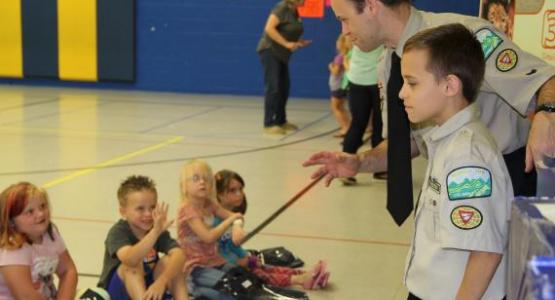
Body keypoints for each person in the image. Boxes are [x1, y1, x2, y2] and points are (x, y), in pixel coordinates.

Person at [304, 0, 555, 209]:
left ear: (371, 6)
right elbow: (408, 142)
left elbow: (546, 80)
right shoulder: (388, 63)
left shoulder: (463, 37)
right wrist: (360, 162)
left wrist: (547, 115)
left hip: (505, 183)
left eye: (344, 19)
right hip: (444, 186)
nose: (343, 31)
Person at [398, 23, 513, 300]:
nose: (402, 93)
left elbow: (485, 252)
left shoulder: (467, 157)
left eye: (412, 83)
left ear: (450, 85)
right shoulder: (447, 141)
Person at [214, 169, 330, 290]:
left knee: (263, 267)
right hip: (221, 266)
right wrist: (239, 261)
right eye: (232, 191)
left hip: (233, 259)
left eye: (241, 189)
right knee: (259, 275)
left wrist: (247, 258)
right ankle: (300, 280)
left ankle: (306, 275)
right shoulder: (216, 221)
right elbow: (215, 253)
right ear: (219, 194)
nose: (239, 194)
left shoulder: (233, 214)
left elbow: (232, 245)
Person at [98, 175, 188, 300]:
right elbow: (130, 259)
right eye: (140, 208)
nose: (148, 214)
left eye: (152, 207)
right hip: (117, 293)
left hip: (149, 289)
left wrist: (161, 282)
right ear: (123, 212)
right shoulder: (118, 232)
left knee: (170, 262)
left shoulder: (155, 228)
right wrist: (154, 233)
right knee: (132, 266)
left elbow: (180, 255)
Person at [176, 160, 244, 300]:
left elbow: (237, 216)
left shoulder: (209, 204)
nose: (202, 182)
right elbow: (208, 237)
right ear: (184, 186)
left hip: (214, 260)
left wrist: (236, 225)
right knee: (229, 290)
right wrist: (231, 221)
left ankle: (199, 289)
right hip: (195, 267)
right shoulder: (187, 209)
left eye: (206, 179)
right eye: (196, 178)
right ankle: (196, 291)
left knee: (242, 278)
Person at [0, 182, 78, 300]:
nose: (41, 214)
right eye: (30, 212)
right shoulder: (13, 249)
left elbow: (68, 271)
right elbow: (25, 296)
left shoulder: (50, 234)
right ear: (11, 221)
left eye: (42, 206)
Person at [257, 0, 312, 135]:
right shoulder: (281, 7)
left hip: (282, 54)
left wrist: (296, 42)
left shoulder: (294, 11)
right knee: (273, 87)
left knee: (284, 87)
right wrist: (287, 44)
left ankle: (281, 121)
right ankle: (269, 123)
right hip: (270, 51)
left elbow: (287, 31)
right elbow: (269, 28)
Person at [341, 44, 386, 185]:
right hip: (373, 80)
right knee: (379, 124)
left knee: (358, 123)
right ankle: (379, 169)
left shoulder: (355, 31)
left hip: (358, 79)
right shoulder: (378, 30)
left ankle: (346, 168)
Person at [329, 33, 352, 138]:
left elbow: (335, 72)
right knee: (341, 107)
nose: (337, 43)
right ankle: (347, 126)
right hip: (342, 86)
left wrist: (330, 66)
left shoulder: (340, 57)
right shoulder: (348, 55)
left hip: (338, 86)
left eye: (339, 41)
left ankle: (345, 128)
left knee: (335, 107)